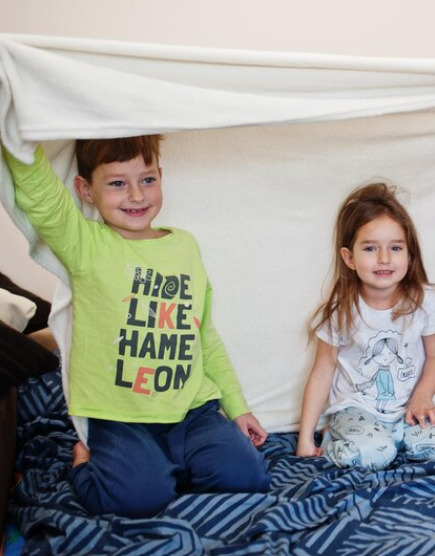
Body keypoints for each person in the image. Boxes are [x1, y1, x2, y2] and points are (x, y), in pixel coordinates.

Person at [3, 137, 270, 518]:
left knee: (247, 478)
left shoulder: (185, 247)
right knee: (137, 500)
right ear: (86, 190)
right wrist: (15, 129)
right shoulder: (85, 244)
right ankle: (85, 464)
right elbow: (41, 196)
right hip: (122, 417)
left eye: (147, 180)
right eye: (116, 183)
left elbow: (203, 333)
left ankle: (170, 463)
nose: (135, 195)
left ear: (161, 177)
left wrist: (237, 407)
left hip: (193, 410)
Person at [296, 182, 435, 470]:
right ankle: (338, 434)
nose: (384, 258)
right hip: (357, 410)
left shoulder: (425, 301)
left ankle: (392, 442)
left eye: (395, 248)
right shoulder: (341, 310)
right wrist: (305, 438)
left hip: (407, 409)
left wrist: (423, 396)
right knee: (375, 454)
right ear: (349, 257)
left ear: (409, 255)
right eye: (371, 248)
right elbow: (322, 372)